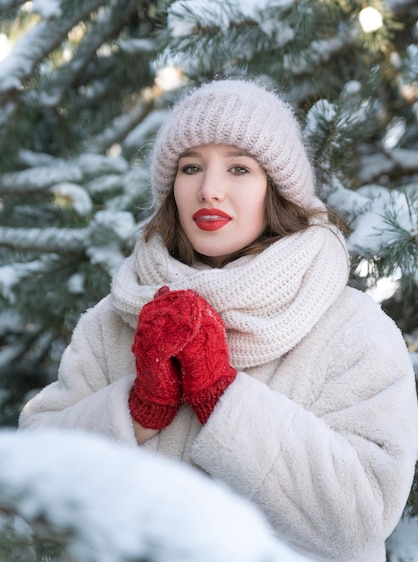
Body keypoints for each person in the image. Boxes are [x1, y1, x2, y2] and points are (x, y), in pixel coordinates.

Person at [19, 79, 418, 561]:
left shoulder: (353, 328)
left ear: (277, 188)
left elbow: (364, 514)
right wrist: (136, 410)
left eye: (238, 168)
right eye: (191, 167)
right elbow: (31, 483)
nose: (209, 189)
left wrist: (221, 397)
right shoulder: (114, 321)